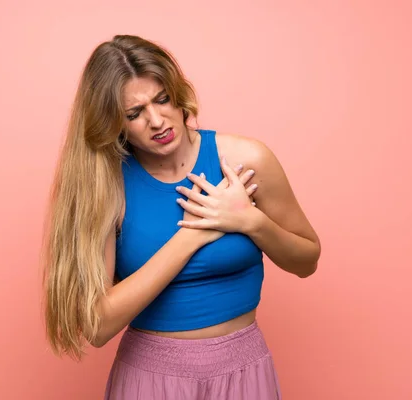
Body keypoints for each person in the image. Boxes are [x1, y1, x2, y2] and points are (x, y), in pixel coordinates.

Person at [41, 34, 321, 399]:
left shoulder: (246, 160)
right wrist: (192, 236)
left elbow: (306, 261)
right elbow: (97, 326)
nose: (157, 121)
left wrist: (250, 222)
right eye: (134, 114)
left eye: (162, 100)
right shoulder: (104, 185)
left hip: (243, 373)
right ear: (114, 122)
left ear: (178, 93)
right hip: (151, 379)